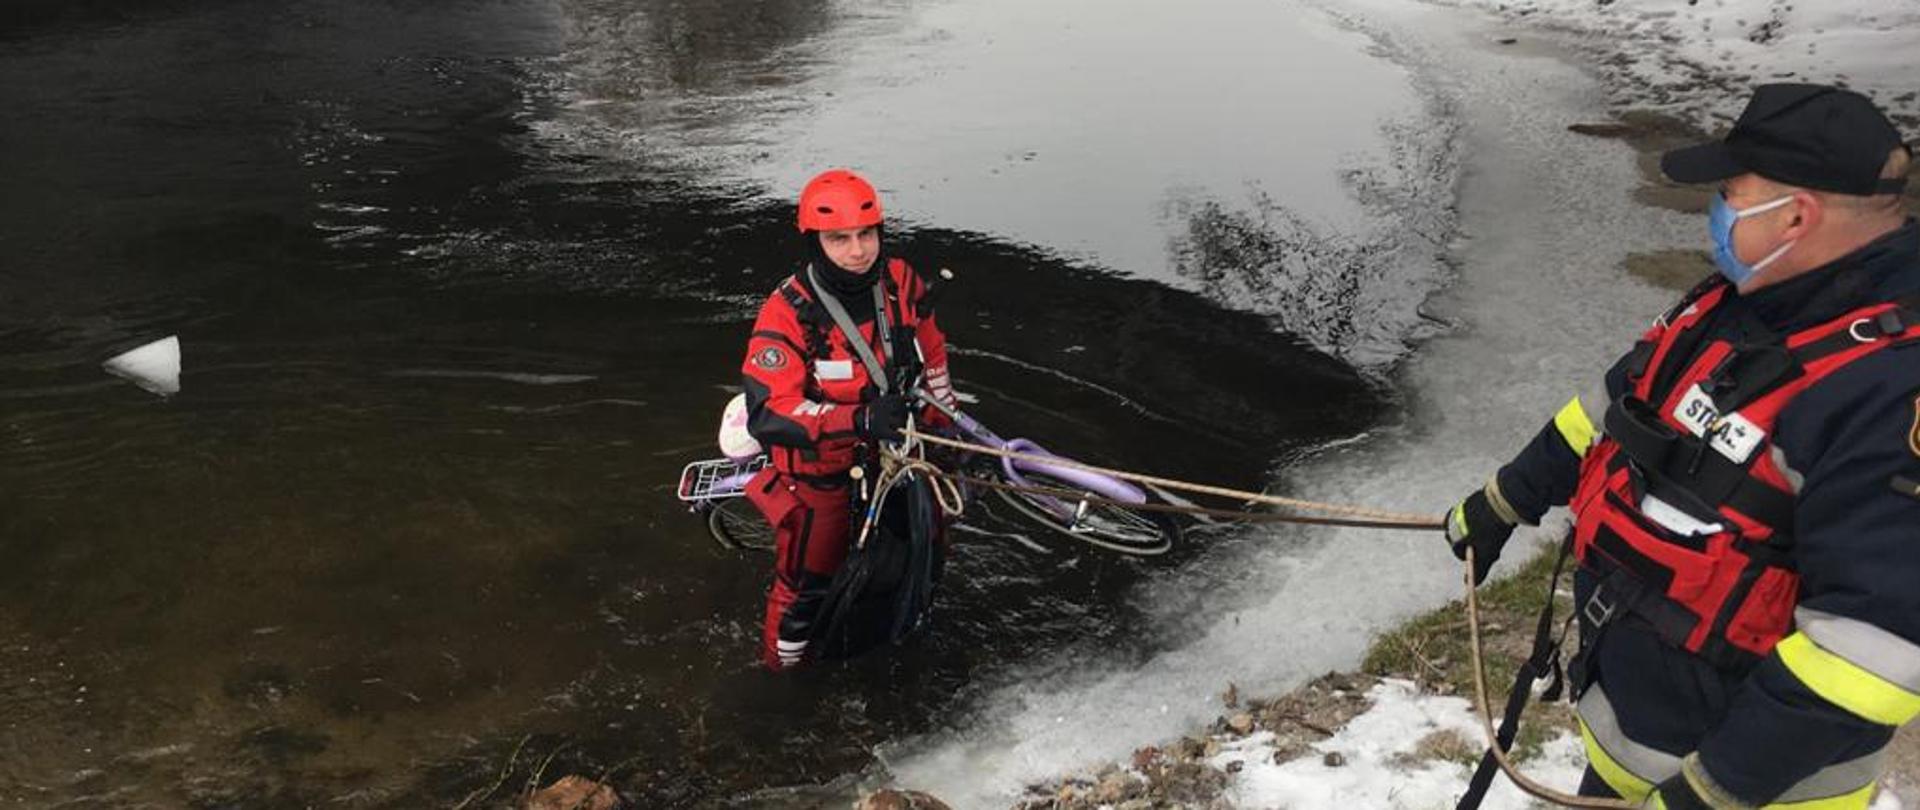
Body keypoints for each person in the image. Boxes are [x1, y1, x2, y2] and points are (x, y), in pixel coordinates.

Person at [1446, 84, 1918, 808]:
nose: (1716, 211)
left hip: (1754, 793)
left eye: (1730, 193)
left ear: (1795, 216)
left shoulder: (1886, 391)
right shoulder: (1738, 303)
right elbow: (1611, 410)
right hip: (1635, 743)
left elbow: (1872, 648)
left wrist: (1711, 790)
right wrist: (1506, 498)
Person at [737, 168, 958, 672]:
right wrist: (858, 419)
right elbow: (769, 412)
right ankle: (780, 678)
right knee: (807, 583)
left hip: (897, 455)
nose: (858, 251)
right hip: (821, 472)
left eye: (866, 235)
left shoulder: (899, 281)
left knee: (928, 545)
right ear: (814, 243)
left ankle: (903, 638)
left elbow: (931, 351)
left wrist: (943, 432)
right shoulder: (785, 313)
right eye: (839, 239)